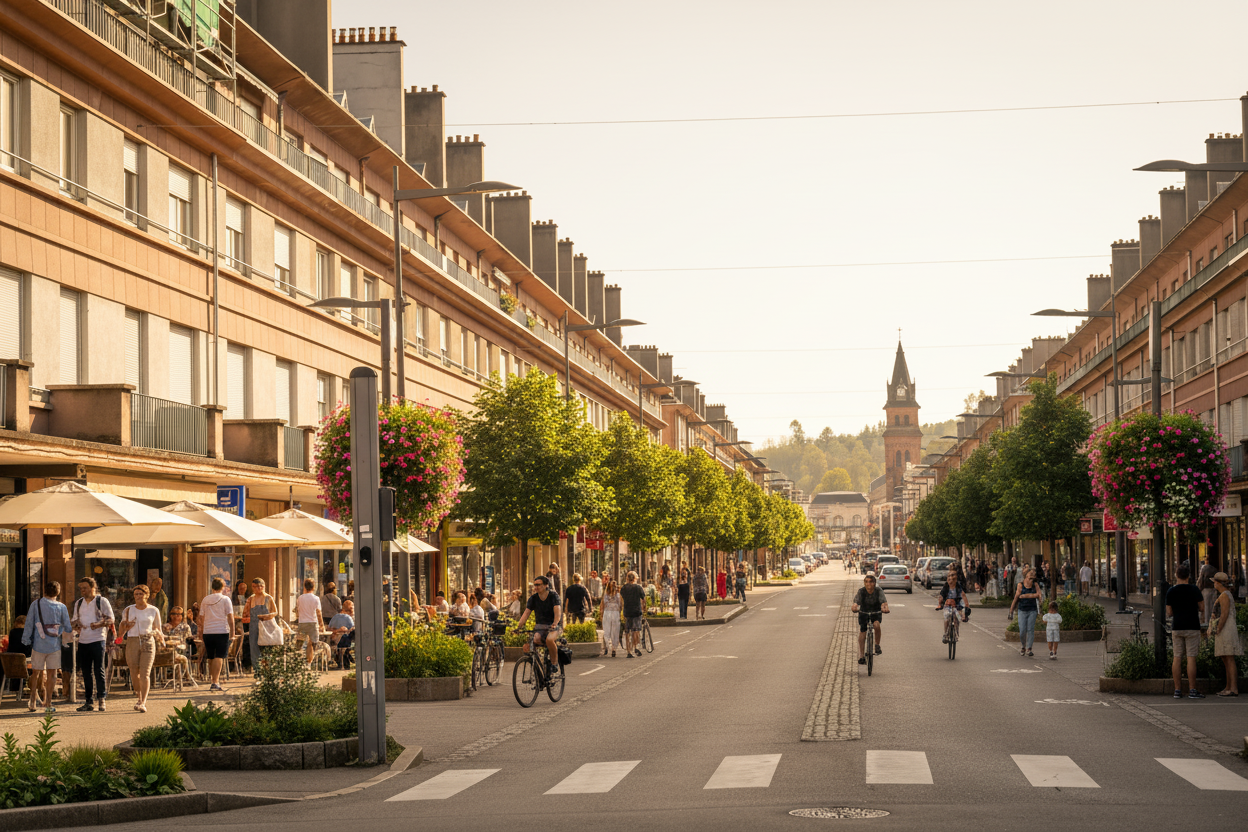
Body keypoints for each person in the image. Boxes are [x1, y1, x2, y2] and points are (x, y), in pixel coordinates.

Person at [22, 582, 73, 714]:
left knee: (36, 673)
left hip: (38, 644)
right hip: (54, 645)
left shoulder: (36, 604)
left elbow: (29, 622)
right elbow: (68, 627)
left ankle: (32, 700)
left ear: (44, 591)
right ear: (58, 592)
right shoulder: (62, 607)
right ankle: (48, 703)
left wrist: (26, 639)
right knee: (52, 674)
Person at [118, 584, 165, 713]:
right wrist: (126, 626)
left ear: (147, 595)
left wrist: (161, 639)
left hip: (148, 640)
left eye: (141, 594)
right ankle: (138, 696)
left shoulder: (153, 610)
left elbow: (158, 628)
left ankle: (143, 702)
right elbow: (121, 628)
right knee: (134, 672)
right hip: (132, 640)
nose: (138, 596)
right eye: (136, 594)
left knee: (145, 673)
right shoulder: (128, 609)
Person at [71, 577, 114, 712]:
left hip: (98, 639)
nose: (82, 591)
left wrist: (98, 624)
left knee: (98, 669)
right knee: (85, 672)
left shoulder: (101, 601)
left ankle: (101, 698)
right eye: (81, 588)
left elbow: (111, 619)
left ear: (92, 588)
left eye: (85, 588)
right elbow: (74, 620)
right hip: (83, 640)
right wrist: (76, 624)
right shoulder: (79, 603)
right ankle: (88, 701)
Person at [1165, 564, 1205, 699]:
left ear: (1176, 575)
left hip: (1177, 626)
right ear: (1188, 576)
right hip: (1192, 626)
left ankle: (1177, 690)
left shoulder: (1171, 591)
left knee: (1177, 657)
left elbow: (1169, 612)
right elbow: (1202, 607)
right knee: (1191, 657)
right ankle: (1192, 690)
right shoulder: (1194, 589)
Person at [198, 577, 234, 692]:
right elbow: (230, 617)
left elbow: (201, 618)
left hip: (208, 631)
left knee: (211, 656)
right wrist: (232, 633)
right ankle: (215, 681)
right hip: (221, 630)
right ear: (222, 587)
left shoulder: (205, 599)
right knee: (219, 656)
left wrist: (201, 632)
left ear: (212, 586)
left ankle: (212, 680)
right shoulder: (225, 599)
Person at [515, 575, 562, 664]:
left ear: (545, 585)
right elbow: (526, 614)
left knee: (549, 640)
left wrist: (555, 623)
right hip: (540, 627)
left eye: (538, 585)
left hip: (553, 627)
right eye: (535, 585)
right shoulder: (533, 598)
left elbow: (557, 612)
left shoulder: (553, 596)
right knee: (535, 639)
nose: (536, 587)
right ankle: (539, 661)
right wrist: (518, 627)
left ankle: (554, 663)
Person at [1210, 572, 1242, 697]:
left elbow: (1224, 614)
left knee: (1229, 658)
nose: (1213, 584)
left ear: (1218, 583)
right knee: (1226, 658)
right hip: (1226, 628)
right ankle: (1228, 687)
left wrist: (1218, 628)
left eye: (1214, 582)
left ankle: (1233, 687)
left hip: (1226, 629)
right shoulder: (1226, 594)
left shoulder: (1224, 596)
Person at [850, 574, 889, 665]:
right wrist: (854, 607)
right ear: (864, 583)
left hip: (876, 612)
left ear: (874, 583)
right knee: (863, 631)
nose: (869, 584)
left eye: (871, 582)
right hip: (863, 612)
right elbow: (856, 602)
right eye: (866, 582)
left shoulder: (878, 591)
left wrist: (885, 608)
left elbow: (884, 602)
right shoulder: (861, 591)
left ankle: (877, 645)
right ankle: (861, 656)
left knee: (876, 625)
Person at [244, 578, 278, 669]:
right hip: (254, 627)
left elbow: (275, 612)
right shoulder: (251, 599)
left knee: (266, 648)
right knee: (254, 648)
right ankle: (257, 670)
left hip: (266, 626)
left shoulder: (268, 598)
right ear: (252, 587)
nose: (258, 588)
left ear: (264, 587)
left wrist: (267, 616)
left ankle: (267, 670)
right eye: (255, 587)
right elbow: (245, 612)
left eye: (260, 586)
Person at [162, 606, 197, 686]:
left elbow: (189, 639)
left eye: (179, 614)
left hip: (182, 649)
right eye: (174, 614)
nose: (176, 616)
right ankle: (184, 677)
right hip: (168, 650)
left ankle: (183, 677)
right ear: (170, 615)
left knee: (183, 653)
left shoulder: (185, 627)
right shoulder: (164, 627)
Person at [1012, 569, 1041, 658]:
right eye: (1030, 573)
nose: (1032, 575)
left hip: (1032, 610)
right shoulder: (1020, 585)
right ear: (1026, 575)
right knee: (1022, 630)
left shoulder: (1035, 585)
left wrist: (1025, 596)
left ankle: (1029, 648)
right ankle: (1023, 646)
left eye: (1033, 574)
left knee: (1030, 629)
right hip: (1022, 610)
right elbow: (1016, 597)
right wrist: (1011, 610)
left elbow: (1038, 594)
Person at [295, 579, 325, 665]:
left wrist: (299, 618)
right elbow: (318, 613)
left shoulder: (300, 598)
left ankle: (297, 661)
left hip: (302, 622)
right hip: (312, 622)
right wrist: (321, 625)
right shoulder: (316, 598)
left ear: (304, 587)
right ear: (313, 587)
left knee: (300, 643)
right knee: (312, 643)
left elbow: (297, 611)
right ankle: (309, 662)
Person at [620, 571, 647, 658]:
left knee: (627, 631)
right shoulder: (638, 587)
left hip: (627, 611)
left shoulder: (624, 588)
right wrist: (644, 608)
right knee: (636, 630)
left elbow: (621, 600)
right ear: (635, 578)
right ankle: (635, 646)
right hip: (637, 611)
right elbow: (643, 599)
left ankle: (629, 651)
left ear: (627, 578)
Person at [936, 572, 966, 644]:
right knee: (947, 618)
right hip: (947, 605)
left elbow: (962, 595)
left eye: (953, 579)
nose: (951, 581)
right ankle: (946, 634)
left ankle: (956, 633)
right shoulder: (946, 586)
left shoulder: (958, 586)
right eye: (949, 579)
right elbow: (942, 594)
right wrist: (940, 603)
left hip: (957, 604)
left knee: (957, 618)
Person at [327, 600, 355, 669]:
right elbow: (352, 629)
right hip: (343, 641)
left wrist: (336, 631)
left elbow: (329, 628)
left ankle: (345, 659)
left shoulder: (335, 617)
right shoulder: (348, 618)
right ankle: (348, 658)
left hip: (334, 640)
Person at [599, 579, 622, 657]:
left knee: (607, 630)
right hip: (614, 613)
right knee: (614, 631)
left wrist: (601, 614)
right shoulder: (617, 595)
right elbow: (620, 605)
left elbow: (602, 605)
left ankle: (608, 646)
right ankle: (613, 648)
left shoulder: (606, 595)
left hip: (608, 612)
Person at [1197, 558, 1218, 627]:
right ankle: (1211, 621)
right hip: (1213, 588)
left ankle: (1206, 621)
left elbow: (1201, 578)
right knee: (1212, 605)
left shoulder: (1204, 568)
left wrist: (1198, 587)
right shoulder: (1214, 569)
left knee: (1206, 605)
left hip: (1205, 588)